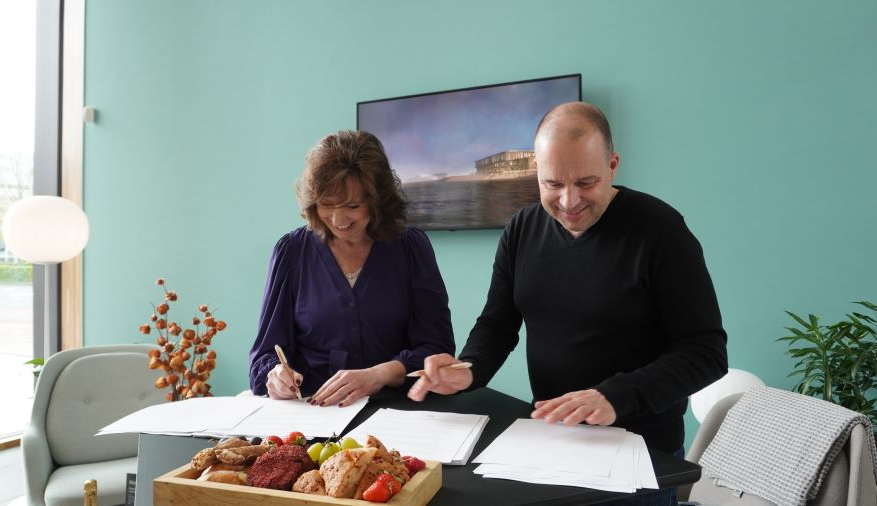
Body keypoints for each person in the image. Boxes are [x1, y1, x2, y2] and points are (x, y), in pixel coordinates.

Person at [408, 102, 728, 505]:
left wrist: (615, 396)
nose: (569, 200)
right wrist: (467, 368)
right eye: (552, 184)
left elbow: (706, 351)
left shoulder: (661, 231)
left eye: (586, 182)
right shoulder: (521, 229)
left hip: (640, 453)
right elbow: (497, 326)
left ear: (613, 164)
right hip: (552, 442)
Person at [249, 130, 455, 407]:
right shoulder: (291, 252)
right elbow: (262, 360)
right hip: (313, 414)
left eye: (352, 205)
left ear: (377, 200)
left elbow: (437, 351)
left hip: (398, 411)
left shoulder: (410, 248)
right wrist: (275, 375)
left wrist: (379, 374)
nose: (338, 219)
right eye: (327, 205)